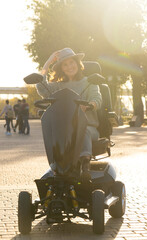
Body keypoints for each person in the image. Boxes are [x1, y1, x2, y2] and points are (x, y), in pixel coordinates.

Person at [36, 48, 102, 180]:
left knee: (82, 130)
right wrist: (47, 63)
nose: (69, 67)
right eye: (65, 65)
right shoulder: (58, 86)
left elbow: (97, 99)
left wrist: (89, 105)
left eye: (71, 62)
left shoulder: (90, 82)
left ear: (78, 63)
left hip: (87, 126)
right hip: (65, 130)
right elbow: (42, 88)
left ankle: (85, 165)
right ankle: (56, 167)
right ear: (61, 68)